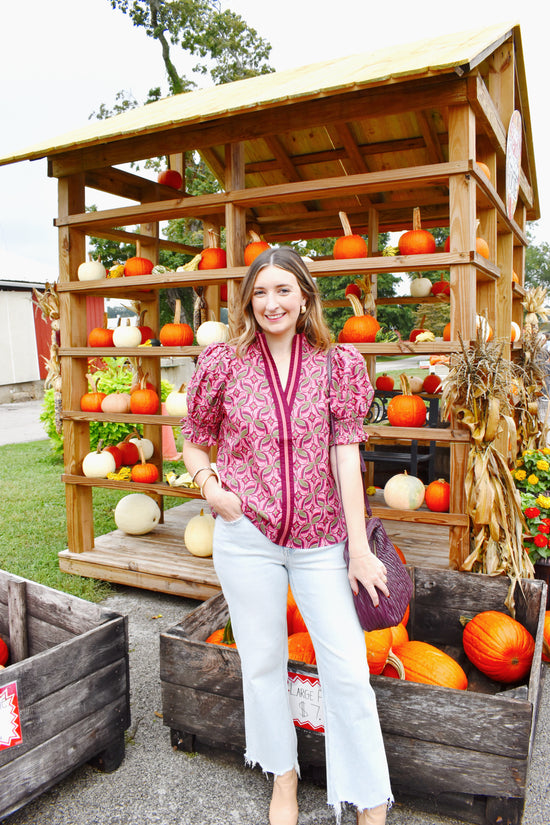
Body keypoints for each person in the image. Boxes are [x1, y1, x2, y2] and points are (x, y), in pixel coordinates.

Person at [181, 246, 393, 825]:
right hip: (245, 535)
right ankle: (283, 776)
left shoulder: (338, 363)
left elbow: (347, 459)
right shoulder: (223, 361)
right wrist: (210, 488)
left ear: (305, 297)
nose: (272, 302)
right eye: (262, 291)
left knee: (347, 668)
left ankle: (369, 798)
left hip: (323, 540)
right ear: (249, 299)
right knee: (263, 660)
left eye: (284, 290)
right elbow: (194, 438)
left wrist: (358, 550)